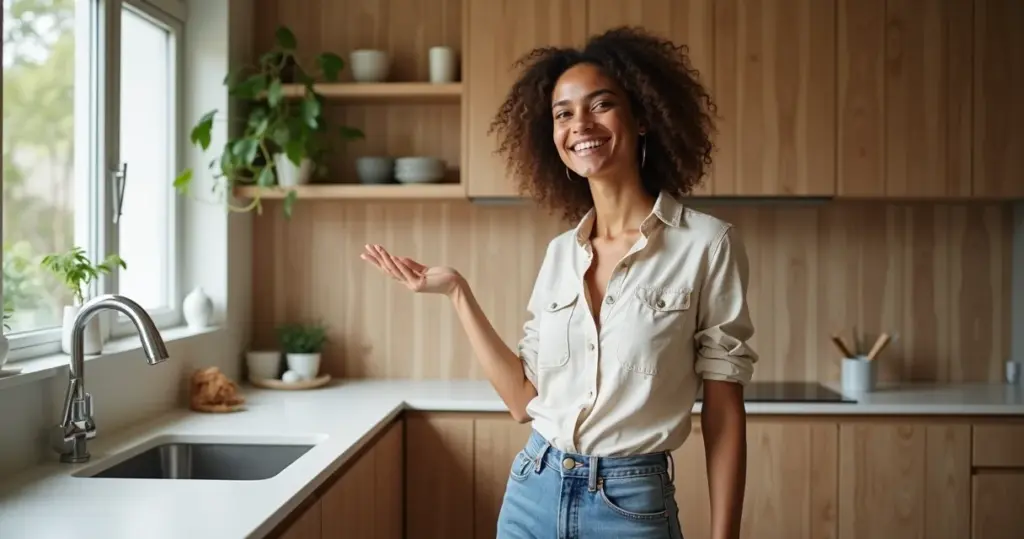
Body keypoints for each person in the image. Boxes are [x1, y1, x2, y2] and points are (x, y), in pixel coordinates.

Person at [360, 26, 757, 539]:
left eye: (601, 105)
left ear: (641, 118)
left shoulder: (706, 245)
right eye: (563, 113)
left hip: (631, 504)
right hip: (534, 488)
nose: (580, 124)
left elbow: (724, 413)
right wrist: (457, 292)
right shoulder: (559, 255)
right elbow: (523, 401)